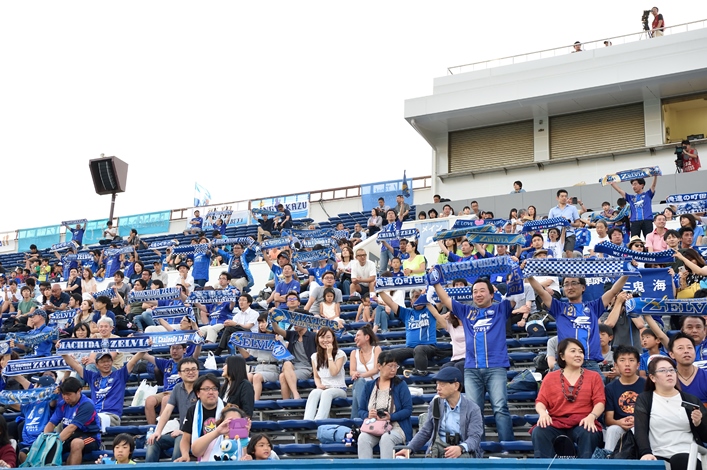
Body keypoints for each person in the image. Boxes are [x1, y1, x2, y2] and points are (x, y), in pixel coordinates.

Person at [431, 278, 514, 442]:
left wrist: (515, 271)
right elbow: (445, 299)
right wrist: (435, 283)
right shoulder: (466, 311)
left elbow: (514, 295)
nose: (478, 294)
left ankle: (508, 448)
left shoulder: (500, 309)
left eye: (482, 290)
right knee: (474, 411)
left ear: (492, 294)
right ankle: (477, 448)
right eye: (475, 291)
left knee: (500, 408)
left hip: (496, 367)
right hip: (471, 369)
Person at [528, 272, 628, 374]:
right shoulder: (559, 308)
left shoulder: (593, 307)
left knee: (599, 384)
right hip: (565, 363)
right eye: (566, 284)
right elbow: (541, 291)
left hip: (589, 363)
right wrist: (529, 275)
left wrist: (627, 273)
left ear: (583, 287)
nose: (570, 287)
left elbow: (613, 291)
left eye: (574, 283)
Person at [531, 338, 605, 458]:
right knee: (539, 431)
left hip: (583, 421)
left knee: (589, 432)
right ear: (562, 356)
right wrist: (543, 414)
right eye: (573, 351)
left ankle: (586, 466)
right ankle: (545, 466)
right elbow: (540, 401)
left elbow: (600, 402)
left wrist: (592, 416)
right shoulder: (550, 377)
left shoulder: (594, 376)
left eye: (580, 352)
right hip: (556, 422)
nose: (578, 355)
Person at [634, 357, 707, 470]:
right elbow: (640, 430)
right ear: (652, 377)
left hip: (688, 455)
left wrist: (698, 423)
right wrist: (646, 452)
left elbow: (705, 436)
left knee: (680, 459)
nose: (669, 374)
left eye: (672, 370)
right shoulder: (645, 399)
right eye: (663, 370)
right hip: (657, 454)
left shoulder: (691, 400)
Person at [396, 367, 483, 459]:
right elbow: (425, 432)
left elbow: (475, 437)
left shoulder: (473, 409)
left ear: (456, 386)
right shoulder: (435, 404)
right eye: (437, 384)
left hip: (462, 452)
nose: (438, 388)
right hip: (438, 451)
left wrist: (461, 448)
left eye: (442, 384)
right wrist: (409, 448)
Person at [61, 348, 145, 426]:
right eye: (102, 362)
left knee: (83, 420)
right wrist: (62, 352)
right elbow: (75, 366)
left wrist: (146, 346)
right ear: (96, 365)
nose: (106, 364)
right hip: (94, 415)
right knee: (65, 422)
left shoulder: (120, 375)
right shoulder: (93, 376)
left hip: (111, 416)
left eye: (108, 361)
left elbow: (133, 361)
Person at [357, 352, 413, 460]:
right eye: (390, 366)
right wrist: (368, 415)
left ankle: (386, 467)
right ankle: (365, 467)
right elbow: (360, 410)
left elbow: (408, 409)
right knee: (363, 438)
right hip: (374, 426)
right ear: (379, 366)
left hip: (396, 427)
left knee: (386, 438)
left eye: (395, 366)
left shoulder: (400, 385)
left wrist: (391, 417)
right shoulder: (369, 386)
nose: (393, 369)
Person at [145, 357, 200, 462]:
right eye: (186, 370)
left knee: (180, 439)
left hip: (198, 434)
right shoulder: (177, 388)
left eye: (194, 369)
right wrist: (158, 431)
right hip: (181, 432)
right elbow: (167, 412)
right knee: (153, 441)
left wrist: (184, 431)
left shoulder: (202, 389)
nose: (191, 372)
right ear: (179, 374)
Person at [43, 377, 102, 465]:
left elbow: (72, 427)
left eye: (69, 394)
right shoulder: (62, 404)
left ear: (79, 391)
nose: (66, 398)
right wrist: (45, 439)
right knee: (45, 446)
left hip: (90, 437)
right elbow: (51, 424)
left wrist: (54, 443)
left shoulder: (86, 405)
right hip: (70, 437)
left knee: (76, 443)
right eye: (63, 394)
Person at [603, 345, 646, 450]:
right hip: (620, 426)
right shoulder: (610, 388)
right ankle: (608, 458)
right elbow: (608, 419)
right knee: (612, 430)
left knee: (638, 429)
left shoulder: (647, 385)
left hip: (643, 425)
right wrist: (619, 422)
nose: (627, 364)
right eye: (622, 360)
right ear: (616, 365)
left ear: (638, 365)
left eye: (631, 360)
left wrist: (638, 421)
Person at [175, 374, 224, 462]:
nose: (211, 392)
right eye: (206, 389)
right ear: (198, 393)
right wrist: (185, 454)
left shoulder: (227, 409)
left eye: (214, 388)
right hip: (199, 453)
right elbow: (186, 438)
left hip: (224, 455)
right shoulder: (193, 411)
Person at [304, 327, 347, 420]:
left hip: (339, 389)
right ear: (318, 339)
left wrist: (329, 354)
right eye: (322, 337)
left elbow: (334, 372)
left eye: (328, 337)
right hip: (324, 388)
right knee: (314, 392)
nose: (325, 340)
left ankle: (319, 421)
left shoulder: (340, 354)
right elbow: (316, 376)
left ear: (333, 338)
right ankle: (307, 421)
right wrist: (318, 385)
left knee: (327, 393)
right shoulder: (314, 356)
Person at [271, 315, 317, 400]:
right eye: (293, 322)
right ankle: (294, 396)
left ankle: (289, 402)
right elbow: (277, 329)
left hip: (306, 368)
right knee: (287, 363)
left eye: (297, 323)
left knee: (282, 376)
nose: (294, 325)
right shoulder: (292, 335)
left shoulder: (313, 336)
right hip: (293, 367)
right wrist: (272, 318)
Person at [142, 344, 188, 424]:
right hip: (166, 392)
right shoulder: (166, 363)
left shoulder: (187, 363)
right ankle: (151, 427)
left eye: (178, 348)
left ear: (184, 350)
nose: (174, 351)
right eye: (172, 348)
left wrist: (198, 344)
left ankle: (160, 427)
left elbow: (196, 354)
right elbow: (145, 356)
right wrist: (143, 344)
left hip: (180, 392)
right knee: (149, 400)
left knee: (166, 399)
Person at [237, 314, 279, 401]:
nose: (261, 325)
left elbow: (283, 354)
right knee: (248, 376)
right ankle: (244, 401)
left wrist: (278, 342)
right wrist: (238, 346)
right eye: (259, 323)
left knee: (256, 377)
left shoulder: (278, 338)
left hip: (272, 369)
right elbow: (247, 355)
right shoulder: (257, 338)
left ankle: (255, 402)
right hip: (259, 368)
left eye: (263, 322)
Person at [350, 325, 381, 419]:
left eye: (358, 335)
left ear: (367, 337)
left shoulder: (376, 349)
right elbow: (351, 371)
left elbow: (376, 369)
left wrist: (360, 375)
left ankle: (356, 420)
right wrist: (355, 374)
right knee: (359, 382)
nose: (355, 338)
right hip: (360, 385)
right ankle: (366, 414)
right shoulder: (354, 353)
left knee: (355, 393)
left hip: (374, 385)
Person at [669, 333, 707, 404]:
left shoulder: (705, 377)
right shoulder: (667, 378)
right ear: (672, 354)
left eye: (689, 347)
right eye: (680, 348)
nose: (686, 351)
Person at [548, 189, 581, 258]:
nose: (564, 198)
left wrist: (568, 223)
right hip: (557, 235)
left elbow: (578, 223)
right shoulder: (552, 210)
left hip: (569, 233)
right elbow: (549, 224)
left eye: (566, 196)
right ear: (557, 198)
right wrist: (559, 221)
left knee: (569, 252)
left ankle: (571, 264)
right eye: (562, 196)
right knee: (556, 253)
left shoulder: (573, 208)